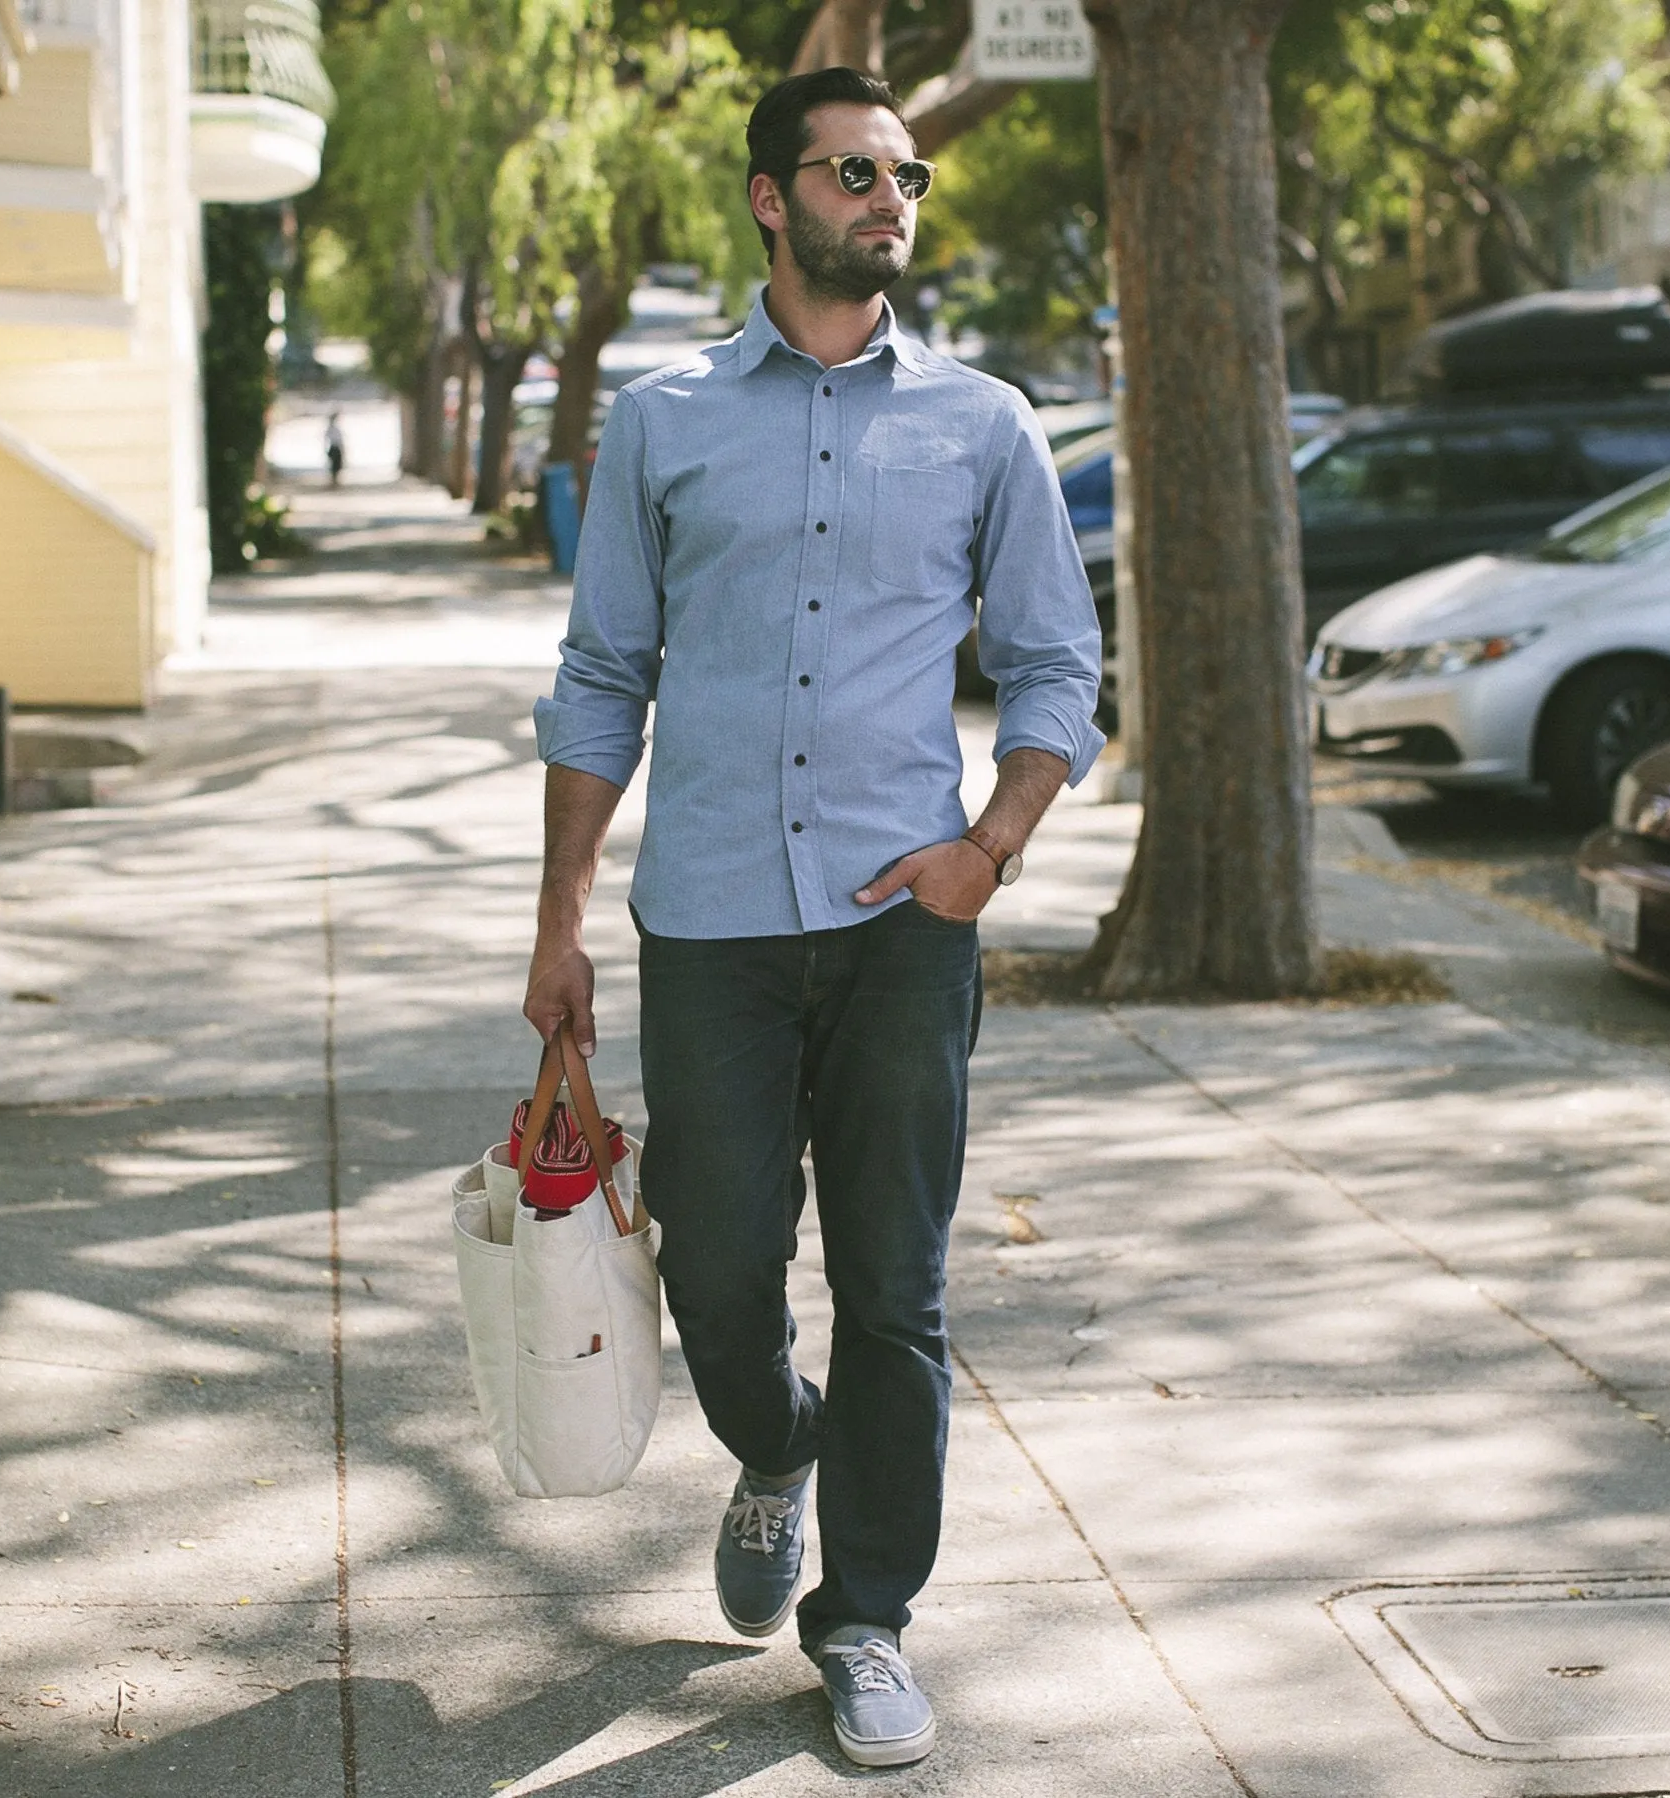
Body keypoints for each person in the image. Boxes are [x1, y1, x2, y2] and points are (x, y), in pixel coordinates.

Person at [524, 66, 1101, 1769]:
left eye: (903, 174)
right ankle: (776, 1444)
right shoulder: (662, 419)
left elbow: (1060, 661)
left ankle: (863, 1620)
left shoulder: (985, 422)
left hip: (900, 924)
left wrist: (986, 847)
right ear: (772, 198)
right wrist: (557, 914)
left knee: (895, 1287)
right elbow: (598, 672)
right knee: (708, 1262)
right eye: (853, 172)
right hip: (705, 919)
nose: (889, 200)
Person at [324, 411, 344, 486]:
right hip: (333, 448)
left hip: (336, 448)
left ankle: (335, 480)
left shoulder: (335, 428)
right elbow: (326, 439)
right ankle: (333, 481)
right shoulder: (330, 429)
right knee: (334, 465)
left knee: (337, 465)